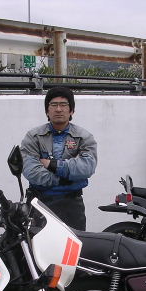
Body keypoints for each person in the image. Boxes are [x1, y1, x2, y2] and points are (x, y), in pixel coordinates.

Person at [20, 86, 97, 230]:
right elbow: (30, 170)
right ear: (47, 111)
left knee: (74, 243)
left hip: (72, 205)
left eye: (63, 105)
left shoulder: (84, 137)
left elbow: (87, 167)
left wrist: (52, 165)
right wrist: (66, 178)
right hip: (39, 203)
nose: (58, 109)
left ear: (71, 110)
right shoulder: (33, 137)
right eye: (54, 105)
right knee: (37, 243)